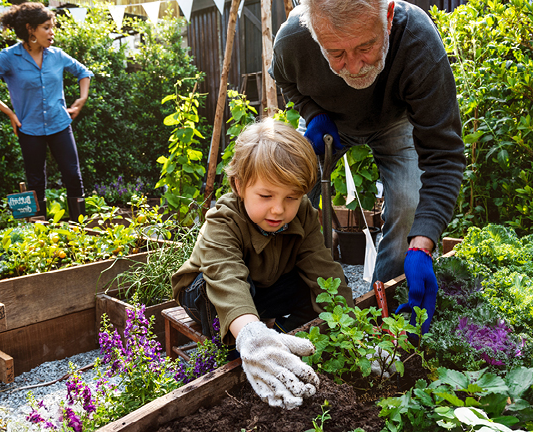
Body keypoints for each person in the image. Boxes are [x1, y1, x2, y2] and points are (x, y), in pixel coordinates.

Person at [269, 0, 466, 333]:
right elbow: (285, 80)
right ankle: (285, 299)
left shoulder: (417, 40)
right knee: (286, 194)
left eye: (366, 46)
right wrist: (312, 113)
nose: (355, 66)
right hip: (329, 122)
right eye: (336, 53)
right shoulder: (293, 39)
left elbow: (444, 155)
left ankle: (380, 312)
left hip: (394, 122)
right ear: (314, 33)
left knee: (408, 208)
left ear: (387, 16)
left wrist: (422, 244)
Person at [172, 118, 354, 409]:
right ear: (240, 185)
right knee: (217, 292)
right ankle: (241, 351)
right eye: (266, 195)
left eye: (292, 197)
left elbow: (322, 268)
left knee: (317, 286)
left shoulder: (301, 214)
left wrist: (354, 335)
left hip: (265, 285)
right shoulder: (223, 219)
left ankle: (281, 340)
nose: (279, 209)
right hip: (209, 290)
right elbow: (226, 277)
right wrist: (250, 335)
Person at [0, 2, 93, 221]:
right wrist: (10, 112)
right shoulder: (9, 57)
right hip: (29, 128)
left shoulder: (56, 55)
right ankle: (40, 237)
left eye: (52, 26)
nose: (52, 32)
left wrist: (81, 98)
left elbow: (83, 72)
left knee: (73, 177)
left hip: (59, 124)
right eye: (46, 27)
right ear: (30, 29)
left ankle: (81, 231)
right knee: (36, 183)